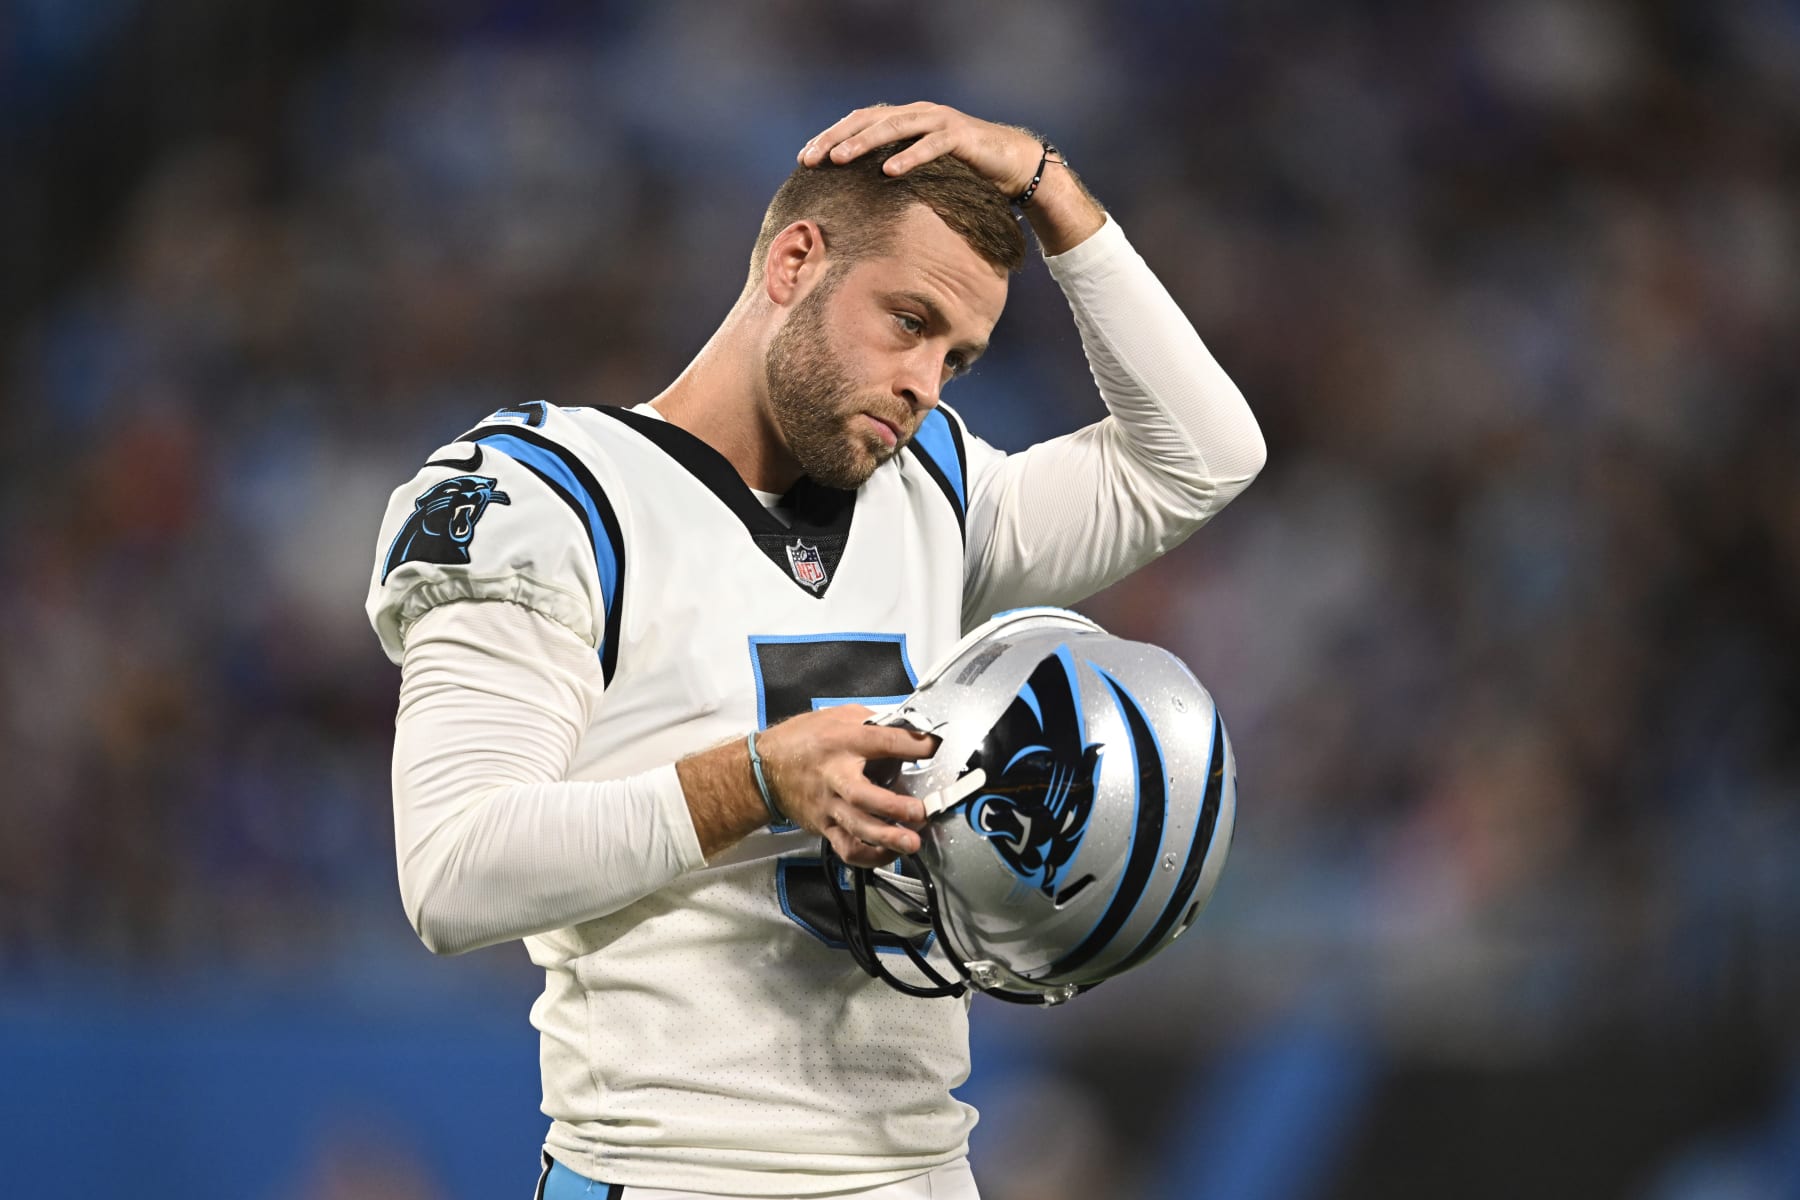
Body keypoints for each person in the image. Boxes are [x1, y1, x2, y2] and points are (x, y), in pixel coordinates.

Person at [365, 102, 1265, 1200]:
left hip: (921, 1171)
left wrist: (1050, 186)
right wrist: (757, 780)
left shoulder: (928, 485)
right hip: (675, 1173)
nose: (925, 383)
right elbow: (453, 872)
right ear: (796, 260)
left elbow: (1204, 455)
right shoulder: (551, 499)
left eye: (958, 357)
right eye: (909, 320)